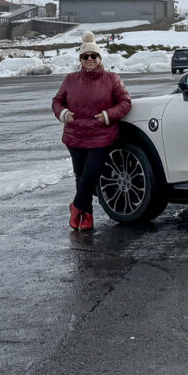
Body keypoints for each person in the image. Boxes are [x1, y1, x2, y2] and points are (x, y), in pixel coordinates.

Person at [51, 31, 131, 231]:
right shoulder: (70, 80)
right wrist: (63, 113)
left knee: (91, 173)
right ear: (80, 59)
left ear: (99, 58)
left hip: (102, 136)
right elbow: (57, 101)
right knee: (81, 176)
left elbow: (125, 102)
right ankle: (86, 216)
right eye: (85, 56)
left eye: (93, 56)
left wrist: (107, 115)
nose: (89, 59)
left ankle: (76, 205)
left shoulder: (112, 79)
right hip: (74, 136)